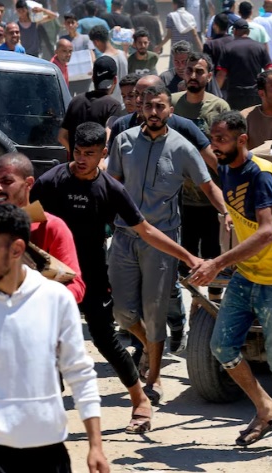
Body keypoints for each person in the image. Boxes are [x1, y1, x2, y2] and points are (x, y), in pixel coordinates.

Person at [32, 122, 204, 433]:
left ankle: (140, 400)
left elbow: (147, 230)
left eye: (89, 154)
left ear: (104, 154)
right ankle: (48, 407)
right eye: (77, 152)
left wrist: (188, 257)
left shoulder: (111, 190)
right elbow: (24, 219)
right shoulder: (51, 182)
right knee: (44, 340)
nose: (81, 159)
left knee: (105, 339)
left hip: (92, 275)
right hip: (52, 276)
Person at [0, 204, 109, 473]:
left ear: (16, 250)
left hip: (49, 451)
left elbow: (80, 372)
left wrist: (96, 446)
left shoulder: (56, 299)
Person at [189, 111, 272, 453]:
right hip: (247, 273)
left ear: (242, 140)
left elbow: (268, 231)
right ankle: (266, 408)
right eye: (212, 139)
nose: (215, 146)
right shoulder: (227, 167)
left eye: (221, 140)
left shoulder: (261, 174)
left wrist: (217, 263)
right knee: (222, 347)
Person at [107, 84, 228, 405]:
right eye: (148, 106)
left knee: (155, 309)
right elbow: (111, 185)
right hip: (124, 236)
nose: (154, 112)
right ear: (141, 108)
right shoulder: (123, 141)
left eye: (160, 106)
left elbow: (208, 186)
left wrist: (227, 212)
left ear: (170, 111)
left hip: (161, 241)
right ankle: (149, 346)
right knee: (121, 311)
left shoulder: (182, 148)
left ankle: (154, 377)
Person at [0, 153, 86, 303]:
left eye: (7, 181)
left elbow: (76, 286)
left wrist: (38, 301)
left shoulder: (52, 227)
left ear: (29, 183)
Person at [172, 52, 230, 301]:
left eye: (199, 71)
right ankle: (195, 304)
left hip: (211, 198)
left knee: (213, 257)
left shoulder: (219, 107)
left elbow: (227, 150)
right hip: (179, 198)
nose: (193, 76)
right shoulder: (172, 104)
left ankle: (214, 305)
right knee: (183, 259)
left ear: (209, 75)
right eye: (189, 71)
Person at [59, 55, 124, 154]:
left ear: (93, 78)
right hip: (98, 163)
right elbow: (108, 138)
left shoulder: (76, 101)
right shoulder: (113, 106)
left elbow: (62, 136)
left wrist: (77, 155)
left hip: (75, 163)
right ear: (115, 80)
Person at [216, 19, 272, 110]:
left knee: (236, 118)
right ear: (248, 31)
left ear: (234, 31)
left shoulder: (228, 48)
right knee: (254, 118)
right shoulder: (260, 47)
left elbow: (221, 74)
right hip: (255, 94)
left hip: (235, 94)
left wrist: (215, 94)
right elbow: (269, 71)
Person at [89, 25, 129, 105]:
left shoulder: (103, 60)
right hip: (124, 102)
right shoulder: (123, 54)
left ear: (96, 42)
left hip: (111, 104)